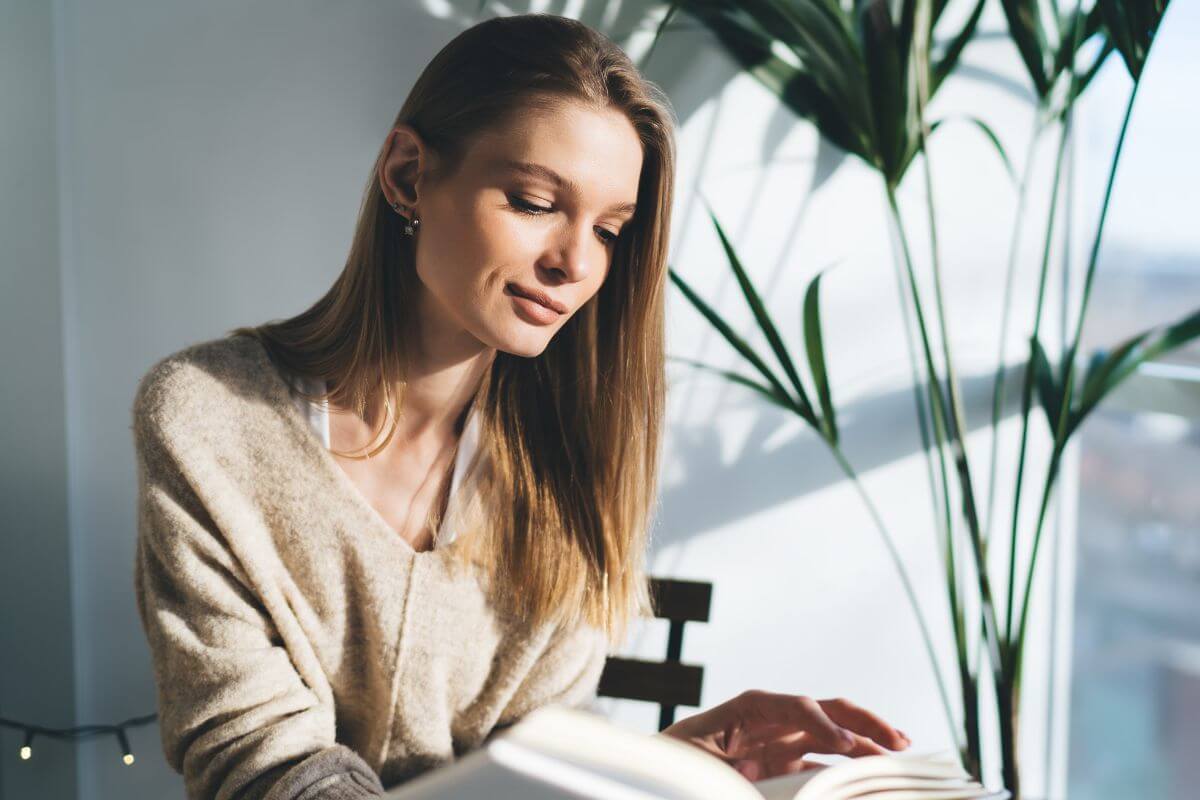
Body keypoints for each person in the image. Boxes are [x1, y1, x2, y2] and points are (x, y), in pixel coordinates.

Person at [131, 13, 910, 800]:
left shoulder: (570, 464)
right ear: (407, 175)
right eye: (535, 202)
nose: (575, 262)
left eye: (610, 230)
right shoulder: (208, 419)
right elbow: (259, 760)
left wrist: (669, 764)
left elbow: (523, 769)